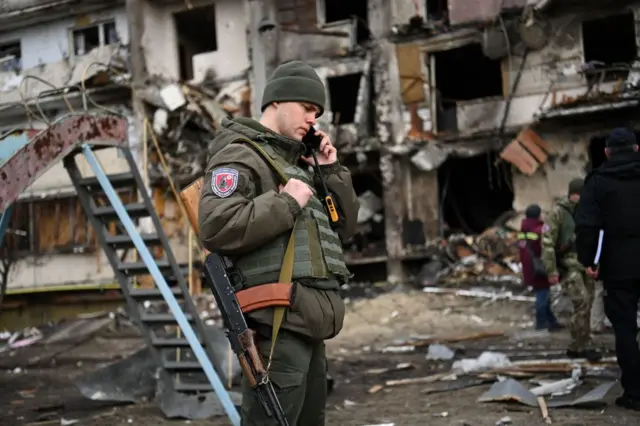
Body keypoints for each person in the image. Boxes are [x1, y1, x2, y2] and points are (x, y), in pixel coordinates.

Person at [197, 60, 359, 425]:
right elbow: (217, 226)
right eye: (307, 108)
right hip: (277, 325)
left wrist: (329, 170)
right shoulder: (239, 154)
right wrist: (286, 202)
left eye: (317, 113)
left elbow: (345, 230)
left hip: (308, 322)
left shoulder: (299, 166)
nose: (312, 121)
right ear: (278, 102)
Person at [575, 126, 640, 411]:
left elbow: (587, 226)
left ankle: (635, 394)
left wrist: (589, 260)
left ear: (606, 153)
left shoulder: (597, 182)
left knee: (624, 330)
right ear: (637, 149)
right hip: (621, 264)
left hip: (619, 267)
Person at [540, 178, 602, 362]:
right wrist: (551, 270)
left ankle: (582, 342)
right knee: (581, 303)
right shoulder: (558, 213)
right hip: (568, 266)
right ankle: (579, 344)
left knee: (588, 305)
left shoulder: (587, 211)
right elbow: (547, 243)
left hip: (586, 265)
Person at [518, 204, 562, 331]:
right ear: (538, 215)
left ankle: (552, 322)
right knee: (542, 295)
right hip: (540, 267)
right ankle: (541, 322)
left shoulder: (523, 229)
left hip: (529, 266)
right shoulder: (540, 229)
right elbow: (548, 247)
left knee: (543, 294)